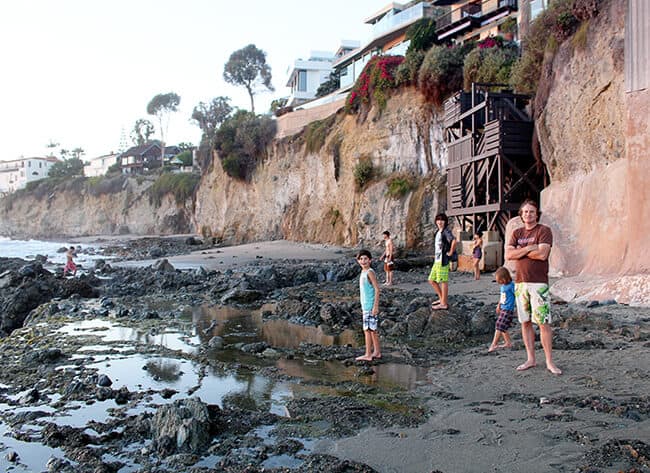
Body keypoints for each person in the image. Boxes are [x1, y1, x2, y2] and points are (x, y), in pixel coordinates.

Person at [505, 199, 562, 375]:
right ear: (521, 215)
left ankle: (549, 362)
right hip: (520, 284)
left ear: (536, 214)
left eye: (531, 211)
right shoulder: (517, 233)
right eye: (525, 212)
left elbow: (543, 254)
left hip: (538, 284)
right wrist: (530, 247)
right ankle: (530, 359)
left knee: (543, 323)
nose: (528, 214)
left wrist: (520, 252)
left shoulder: (544, 231)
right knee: (525, 322)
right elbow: (508, 254)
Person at [355, 249, 381, 361]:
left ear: (370, 260)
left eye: (365, 258)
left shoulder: (370, 272)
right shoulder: (363, 272)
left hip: (370, 306)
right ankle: (377, 352)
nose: (363, 261)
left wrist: (375, 306)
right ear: (358, 261)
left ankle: (368, 354)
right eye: (361, 259)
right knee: (372, 330)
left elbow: (377, 289)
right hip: (365, 305)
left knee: (367, 330)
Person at [428, 213, 457, 310]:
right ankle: (442, 299)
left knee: (443, 281)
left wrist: (450, 252)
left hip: (442, 260)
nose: (440, 222)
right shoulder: (438, 232)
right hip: (437, 260)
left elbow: (453, 240)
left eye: (442, 220)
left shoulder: (446, 231)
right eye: (438, 220)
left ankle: (443, 303)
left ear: (445, 222)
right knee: (431, 280)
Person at [489, 266, 515, 352]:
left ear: (504, 278)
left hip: (508, 309)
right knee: (503, 326)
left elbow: (517, 296)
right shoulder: (503, 287)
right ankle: (508, 342)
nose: (498, 282)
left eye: (499, 280)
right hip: (503, 308)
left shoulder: (511, 286)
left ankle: (494, 343)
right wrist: (498, 305)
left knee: (499, 325)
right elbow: (502, 297)